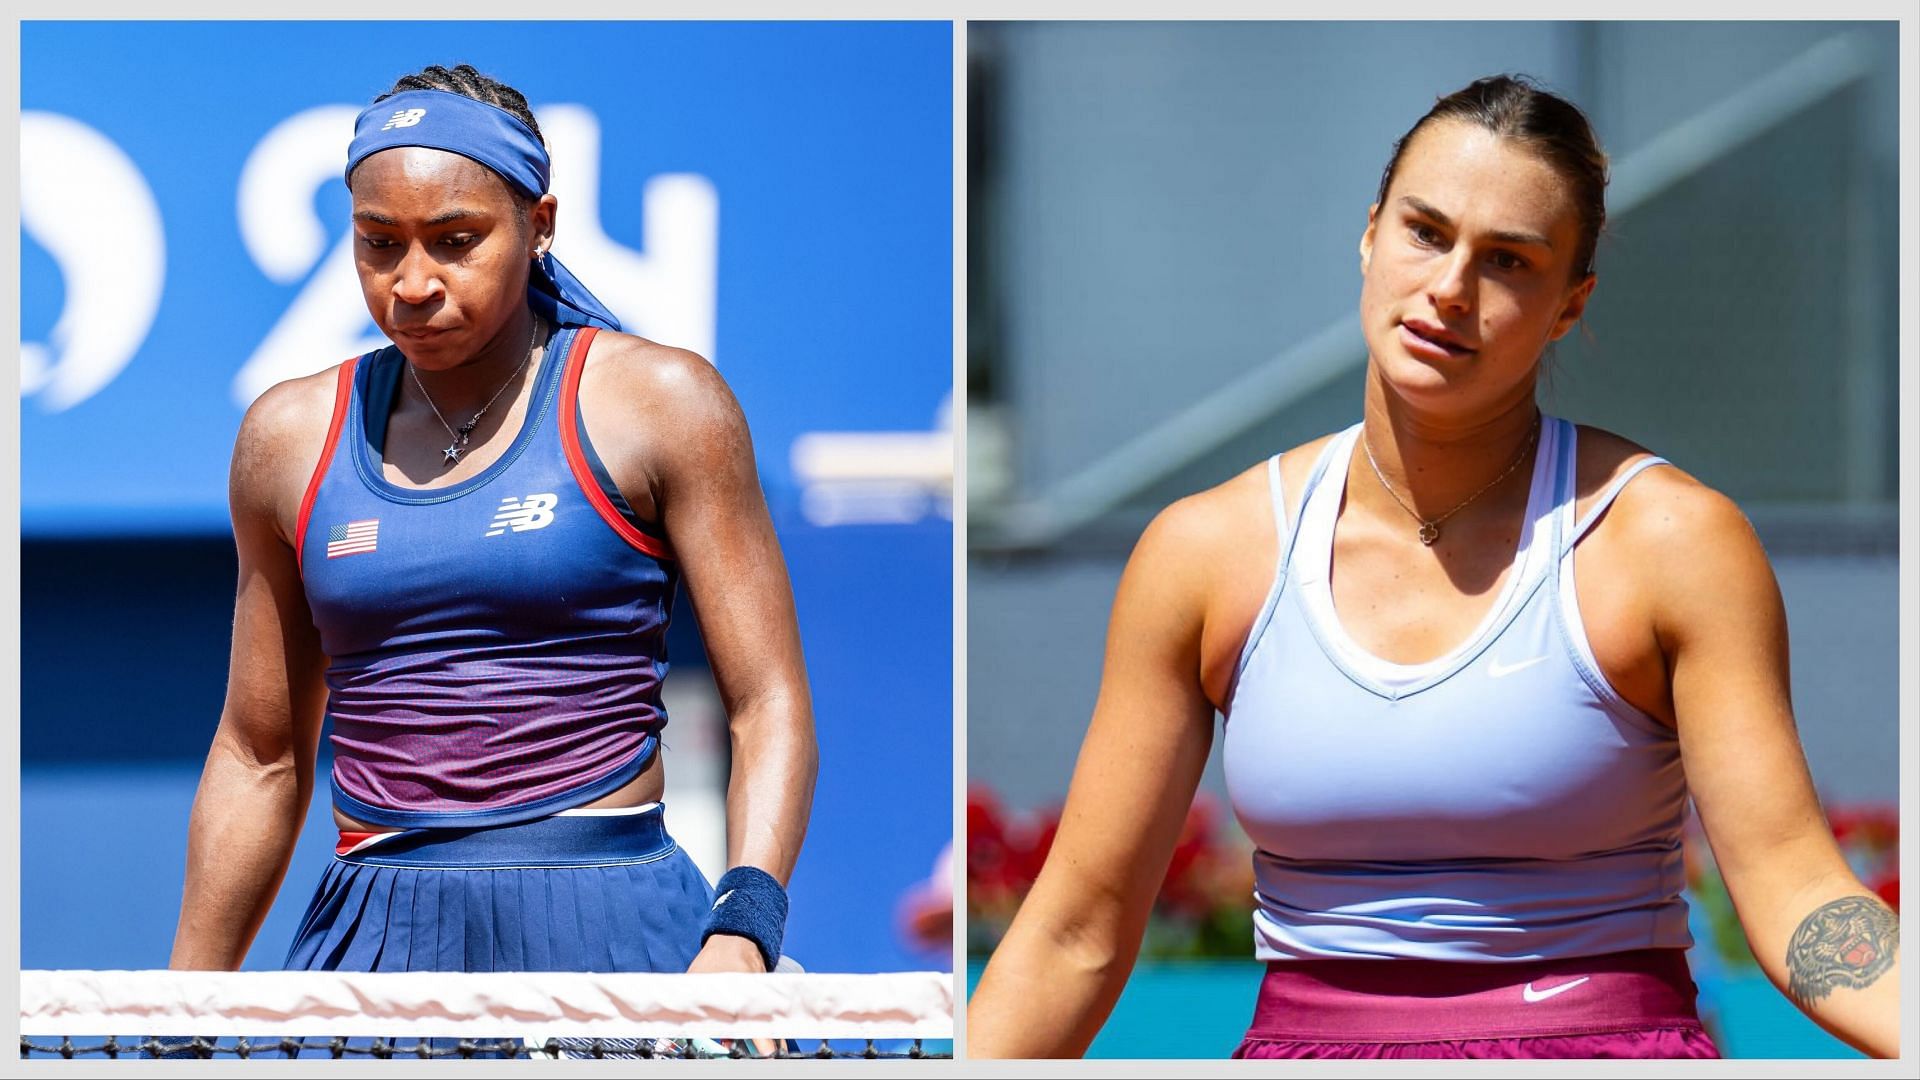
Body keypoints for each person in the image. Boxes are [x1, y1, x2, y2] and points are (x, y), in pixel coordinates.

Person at [968, 75, 1899, 1059]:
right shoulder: (1205, 552)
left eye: (1508, 261)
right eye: (1426, 232)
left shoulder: (1675, 542)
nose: (1451, 287)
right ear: (1370, 234)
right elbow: (1075, 934)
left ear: (1570, 307)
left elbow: (1799, 893)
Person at [168, 64, 816, 981]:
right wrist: (183, 1014)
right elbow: (259, 752)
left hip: (614, 923)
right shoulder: (284, 437)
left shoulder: (664, 403)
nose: (414, 281)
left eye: (456, 240)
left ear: (539, 226)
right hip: (370, 933)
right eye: (378, 243)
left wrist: (745, 930)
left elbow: (769, 702)